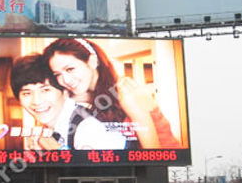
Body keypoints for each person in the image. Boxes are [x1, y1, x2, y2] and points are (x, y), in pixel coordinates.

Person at [43, 38, 180, 149]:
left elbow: (153, 152)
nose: (65, 80)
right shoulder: (82, 94)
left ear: (92, 61)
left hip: (166, 163)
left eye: (70, 69)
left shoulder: (124, 91)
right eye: (57, 74)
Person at [10, 54, 126, 150]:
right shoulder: (51, 127)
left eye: (45, 90)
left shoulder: (88, 128)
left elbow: (101, 170)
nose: (36, 101)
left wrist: (56, 153)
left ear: (65, 91)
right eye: (26, 93)